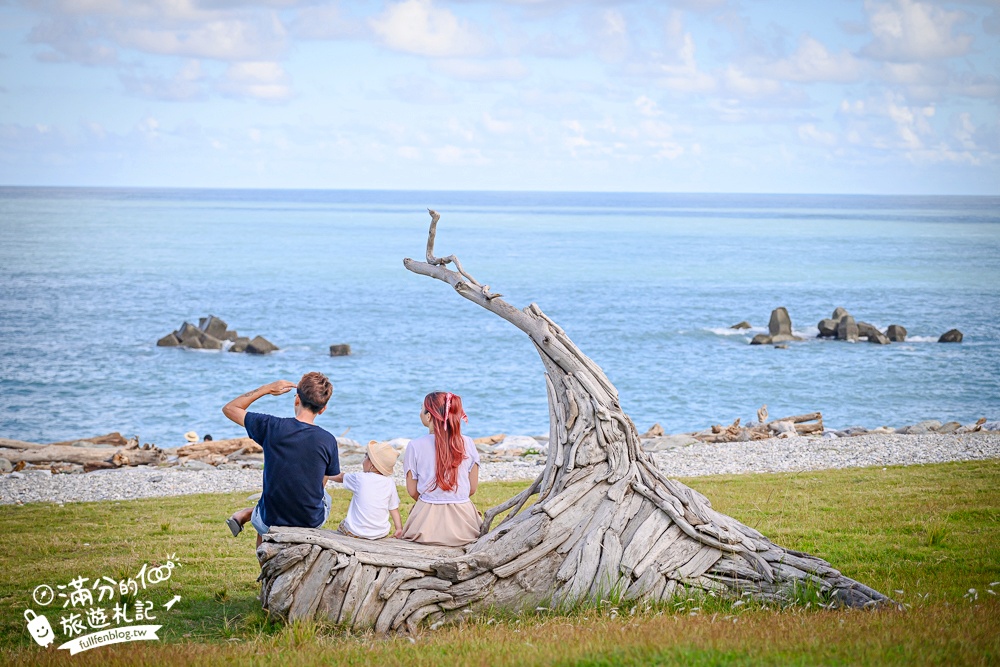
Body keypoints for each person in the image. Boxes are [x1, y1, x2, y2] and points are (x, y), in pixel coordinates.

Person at [222, 372, 339, 548]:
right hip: (310, 520)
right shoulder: (328, 440)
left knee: (267, 512)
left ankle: (265, 562)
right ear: (322, 409)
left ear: (296, 399)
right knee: (325, 496)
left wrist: (267, 389)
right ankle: (250, 513)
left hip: (272, 519)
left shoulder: (271, 427)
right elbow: (323, 480)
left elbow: (230, 409)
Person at [398, 391, 481, 546]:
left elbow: (413, 491)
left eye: (421, 409)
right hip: (465, 525)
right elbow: (472, 488)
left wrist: (433, 499)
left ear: (428, 416)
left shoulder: (415, 446)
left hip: (425, 525)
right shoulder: (468, 443)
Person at [328, 440, 403, 540]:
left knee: (343, 524)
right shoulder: (390, 483)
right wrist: (399, 528)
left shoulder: (360, 478)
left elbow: (340, 477)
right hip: (380, 533)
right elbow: (393, 508)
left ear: (372, 464)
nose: (363, 459)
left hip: (355, 532)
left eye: (366, 456)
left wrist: (324, 474)